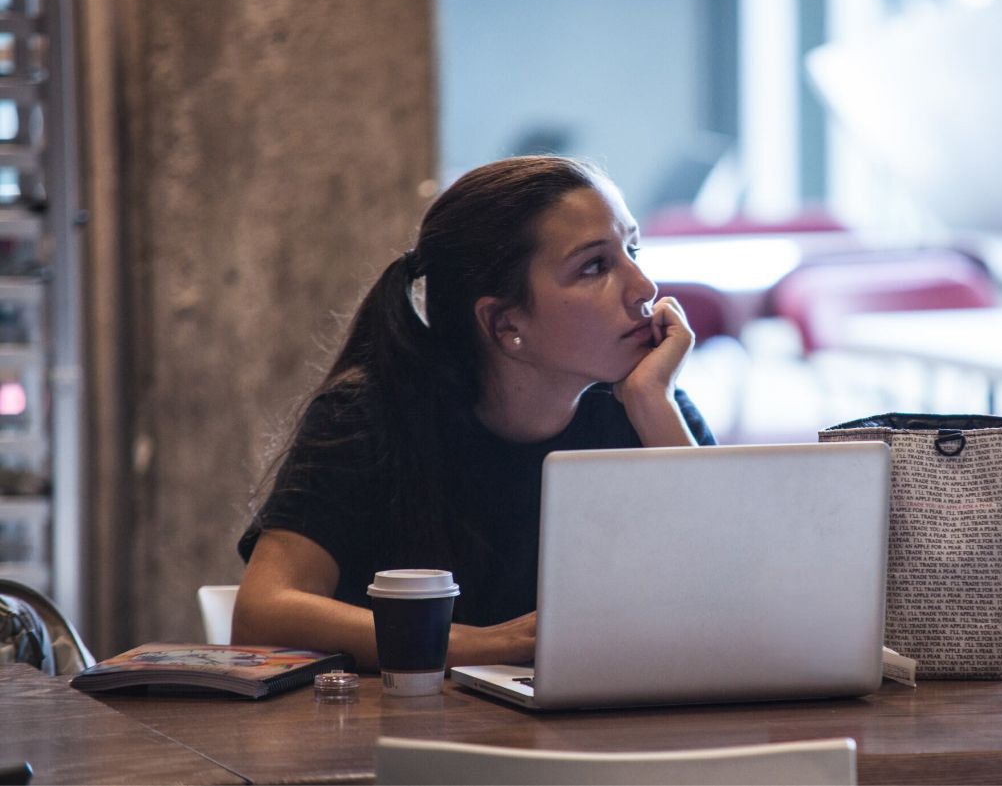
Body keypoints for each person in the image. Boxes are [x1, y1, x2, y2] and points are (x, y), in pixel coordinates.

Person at [233, 156, 715, 668]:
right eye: (595, 266)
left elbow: (738, 596)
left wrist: (653, 405)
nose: (644, 288)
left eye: (633, 250)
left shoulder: (646, 403)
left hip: (593, 730)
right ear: (504, 322)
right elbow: (262, 613)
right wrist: (486, 646)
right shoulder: (370, 415)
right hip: (393, 732)